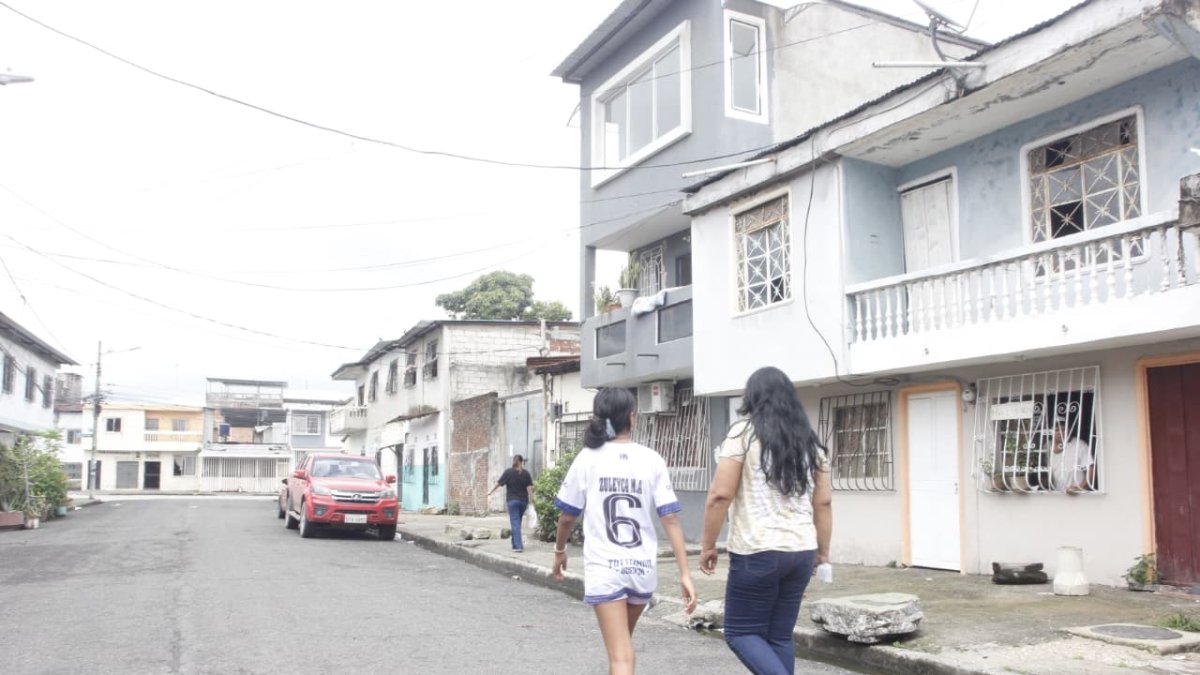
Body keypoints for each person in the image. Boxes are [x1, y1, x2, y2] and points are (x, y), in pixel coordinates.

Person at [551, 387, 697, 675]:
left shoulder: (587, 458)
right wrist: (684, 573)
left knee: (621, 658)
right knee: (622, 651)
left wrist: (559, 551)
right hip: (642, 568)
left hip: (605, 568)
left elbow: (567, 517)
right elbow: (671, 520)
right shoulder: (652, 459)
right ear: (632, 418)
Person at [700, 366, 833, 675]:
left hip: (757, 550)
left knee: (741, 632)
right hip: (801, 550)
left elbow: (720, 494)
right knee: (778, 636)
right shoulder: (809, 443)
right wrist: (823, 552)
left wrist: (708, 545)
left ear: (752, 398)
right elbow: (823, 503)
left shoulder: (743, 434)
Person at [488, 454, 534, 552]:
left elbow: (499, 483)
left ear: (513, 461)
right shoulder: (526, 473)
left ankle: (518, 546)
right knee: (517, 523)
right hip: (523, 502)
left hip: (512, 501)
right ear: (522, 462)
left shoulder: (508, 472)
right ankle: (515, 544)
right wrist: (532, 501)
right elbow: (529, 489)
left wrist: (491, 492)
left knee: (515, 523)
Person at [1049, 423, 1095, 495]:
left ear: (1069, 429)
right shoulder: (1047, 446)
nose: (1060, 432)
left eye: (1063, 429)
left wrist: (1079, 488)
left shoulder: (1079, 445)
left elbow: (1091, 469)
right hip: (1056, 495)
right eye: (1057, 430)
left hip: (1077, 495)